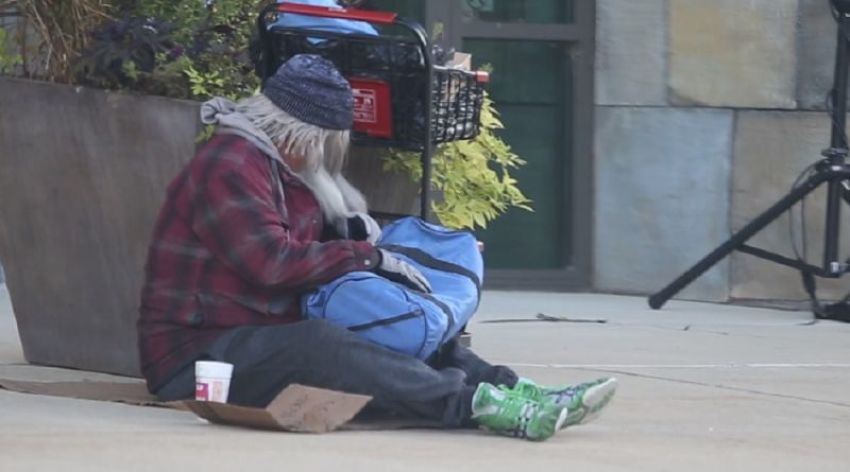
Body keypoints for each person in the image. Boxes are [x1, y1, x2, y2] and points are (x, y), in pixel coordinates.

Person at [137, 54, 617, 441]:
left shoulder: (286, 173)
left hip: (258, 335)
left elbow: (322, 245)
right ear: (300, 135)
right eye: (328, 142)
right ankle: (475, 407)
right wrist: (367, 256)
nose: (329, 154)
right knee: (323, 345)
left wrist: (400, 254)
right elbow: (273, 262)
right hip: (196, 357)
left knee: (394, 328)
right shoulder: (230, 164)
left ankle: (512, 390)